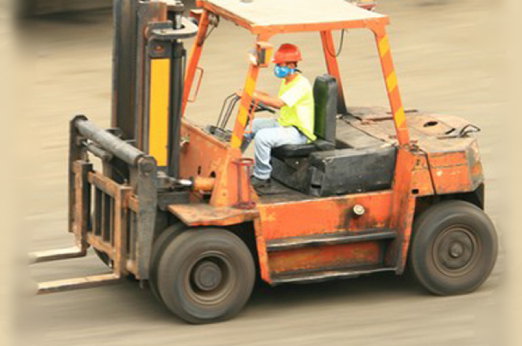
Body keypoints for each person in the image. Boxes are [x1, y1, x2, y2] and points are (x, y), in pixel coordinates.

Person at [243, 43, 316, 190]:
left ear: (291, 65)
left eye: (280, 65)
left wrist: (254, 94)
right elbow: (278, 100)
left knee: (263, 137)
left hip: (299, 132)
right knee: (253, 125)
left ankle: (262, 176)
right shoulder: (287, 81)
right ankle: (233, 158)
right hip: (284, 123)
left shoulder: (301, 84)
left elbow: (279, 103)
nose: (277, 68)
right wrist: (258, 94)